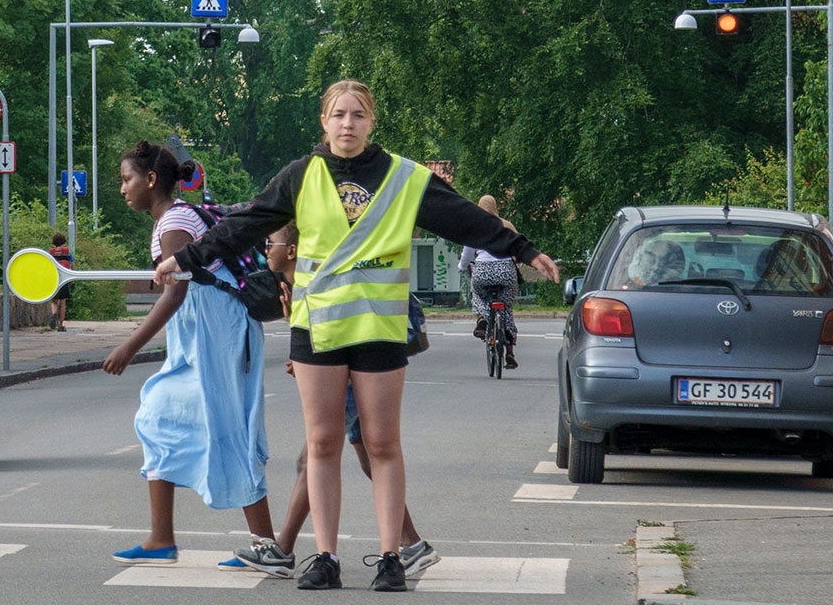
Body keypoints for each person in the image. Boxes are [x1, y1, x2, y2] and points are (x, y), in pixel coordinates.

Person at [160, 80, 559, 592]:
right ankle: (325, 557)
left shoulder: (404, 176)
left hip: (378, 328)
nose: (347, 123)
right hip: (318, 329)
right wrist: (184, 258)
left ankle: (392, 557)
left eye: (358, 115)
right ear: (324, 122)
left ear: (371, 122)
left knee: (382, 443)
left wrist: (524, 250)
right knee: (323, 442)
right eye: (338, 114)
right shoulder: (300, 175)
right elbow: (247, 224)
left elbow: (465, 219)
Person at [101, 142, 284, 573]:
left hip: (217, 329)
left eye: (127, 179)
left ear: (150, 180)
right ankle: (161, 538)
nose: (122, 189)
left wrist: (129, 346)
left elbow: (177, 290)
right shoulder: (173, 218)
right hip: (204, 331)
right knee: (158, 418)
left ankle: (267, 546)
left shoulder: (175, 221)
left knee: (228, 427)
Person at [251, 225, 440, 578]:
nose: (264, 250)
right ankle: (413, 544)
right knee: (369, 458)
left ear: (291, 250)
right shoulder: (296, 282)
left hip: (353, 374)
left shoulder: (312, 279)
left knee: (317, 455)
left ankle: (284, 549)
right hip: (350, 370)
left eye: (270, 242)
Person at [460, 194, 522, 369]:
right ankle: (510, 353)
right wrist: (518, 263)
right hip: (506, 271)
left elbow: (467, 256)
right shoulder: (507, 225)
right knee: (506, 308)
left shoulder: (474, 227)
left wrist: (462, 266)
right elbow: (519, 249)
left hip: (482, 271)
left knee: (478, 294)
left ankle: (482, 319)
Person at [47, 231, 74, 331]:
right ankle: (60, 325)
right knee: (63, 302)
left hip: (54, 279)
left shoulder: (50, 254)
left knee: (54, 301)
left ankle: (54, 314)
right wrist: (72, 277)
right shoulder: (68, 253)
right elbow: (73, 266)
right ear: (64, 242)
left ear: (53, 242)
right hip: (64, 278)